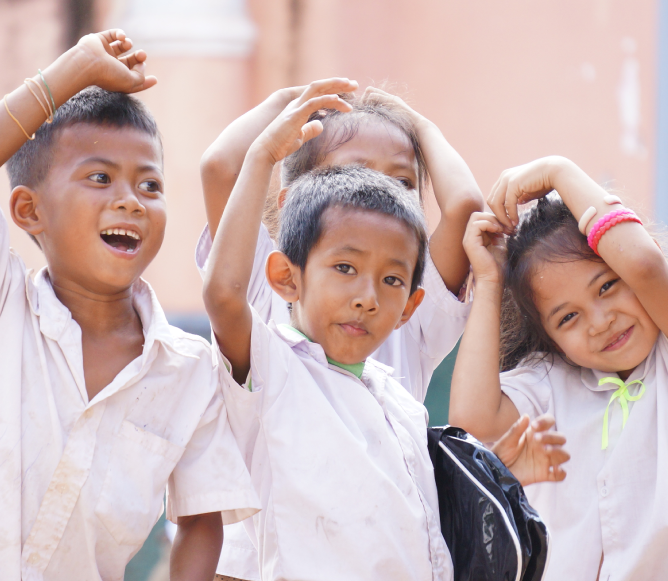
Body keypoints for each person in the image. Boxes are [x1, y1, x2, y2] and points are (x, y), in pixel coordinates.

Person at [0, 30, 259, 580]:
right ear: (28, 212)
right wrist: (72, 69)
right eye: (99, 178)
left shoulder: (190, 371)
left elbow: (202, 516)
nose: (130, 199)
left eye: (150, 185)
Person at [202, 83, 569, 581]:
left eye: (392, 279)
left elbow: (413, 516)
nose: (366, 297)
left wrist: (497, 471)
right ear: (286, 276)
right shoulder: (271, 356)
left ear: (408, 305)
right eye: (345, 267)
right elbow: (223, 282)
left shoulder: (399, 404)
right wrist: (277, 129)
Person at [448, 155, 668, 581]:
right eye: (567, 318)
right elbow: (472, 424)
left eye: (608, 286)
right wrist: (490, 280)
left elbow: (645, 266)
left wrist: (559, 171)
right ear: (554, 341)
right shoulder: (551, 385)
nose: (600, 321)